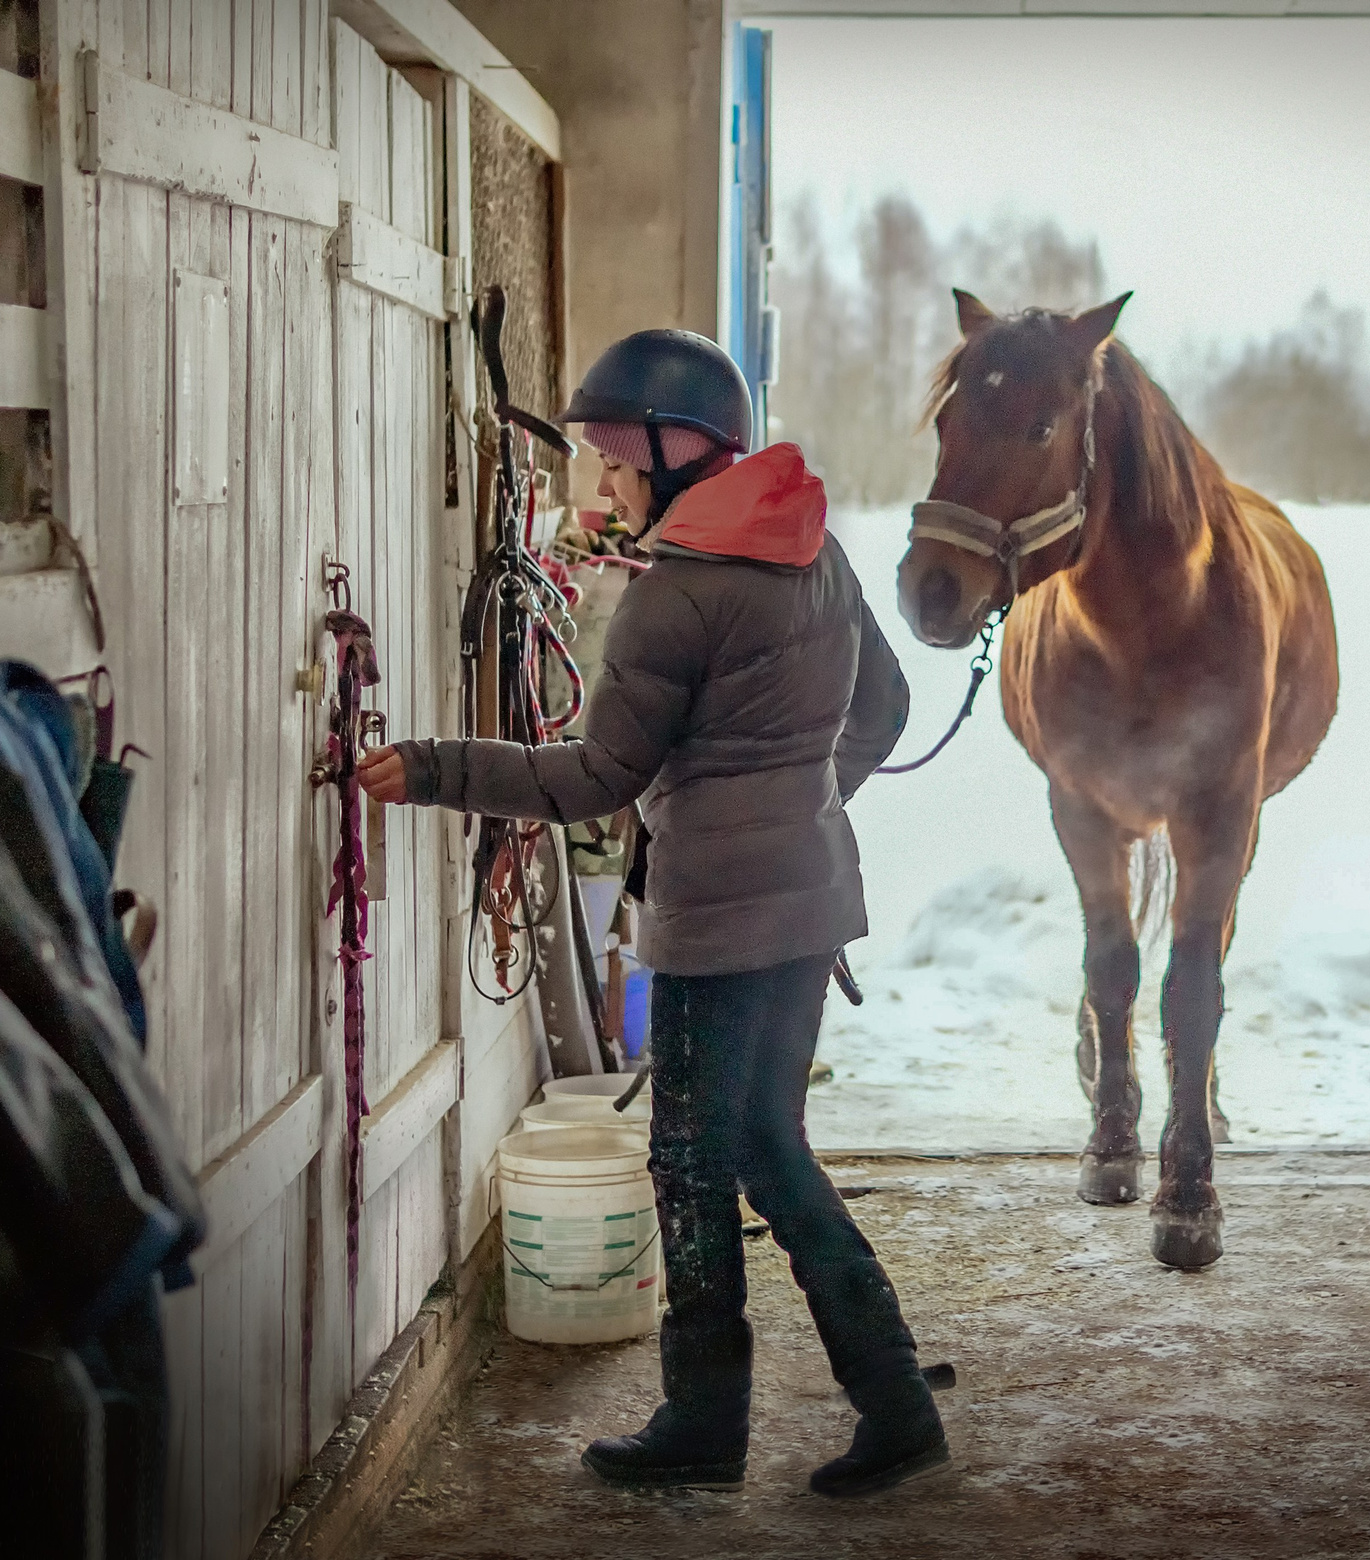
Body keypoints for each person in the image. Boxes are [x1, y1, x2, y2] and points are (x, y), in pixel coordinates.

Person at [357, 329, 943, 1498]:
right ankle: (894, 1407)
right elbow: (886, 701)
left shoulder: (674, 598)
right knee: (769, 1153)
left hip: (723, 925)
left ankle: (704, 1421)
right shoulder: (814, 549)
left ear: (680, 455)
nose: (604, 488)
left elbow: (594, 778)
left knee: (689, 1162)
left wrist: (428, 767)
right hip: (811, 899)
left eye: (618, 465)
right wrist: (802, 808)